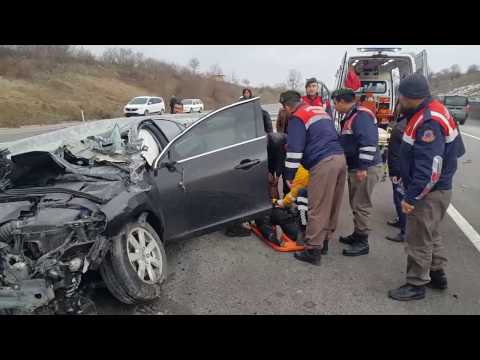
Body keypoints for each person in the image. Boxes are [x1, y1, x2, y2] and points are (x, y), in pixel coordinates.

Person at [388, 73, 465, 301]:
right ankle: (437, 273)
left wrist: (411, 198)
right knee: (431, 233)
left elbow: (429, 169)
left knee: (418, 237)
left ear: (411, 97)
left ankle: (416, 284)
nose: (399, 100)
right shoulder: (435, 109)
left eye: (401, 96)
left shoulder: (428, 120)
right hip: (438, 188)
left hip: (428, 191)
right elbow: (457, 150)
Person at [280, 90, 346, 265]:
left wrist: (290, 176)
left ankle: (312, 251)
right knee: (331, 204)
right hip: (340, 159)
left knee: (316, 207)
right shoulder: (318, 110)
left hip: (323, 163)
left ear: (287, 107)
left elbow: (294, 151)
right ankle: (323, 242)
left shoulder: (297, 117)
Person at [332, 88, 382, 256]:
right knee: (355, 203)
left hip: (365, 168)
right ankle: (357, 234)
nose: (334, 106)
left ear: (341, 101)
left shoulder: (361, 116)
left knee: (361, 205)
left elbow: (368, 143)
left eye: (335, 103)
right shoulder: (351, 115)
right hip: (356, 167)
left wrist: (362, 167)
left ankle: (363, 242)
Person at [385, 105, 407, 242]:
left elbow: (398, 153)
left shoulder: (401, 126)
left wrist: (395, 172)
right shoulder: (403, 123)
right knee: (398, 198)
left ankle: (405, 231)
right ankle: (401, 221)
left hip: (400, 170)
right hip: (400, 169)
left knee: (400, 199)